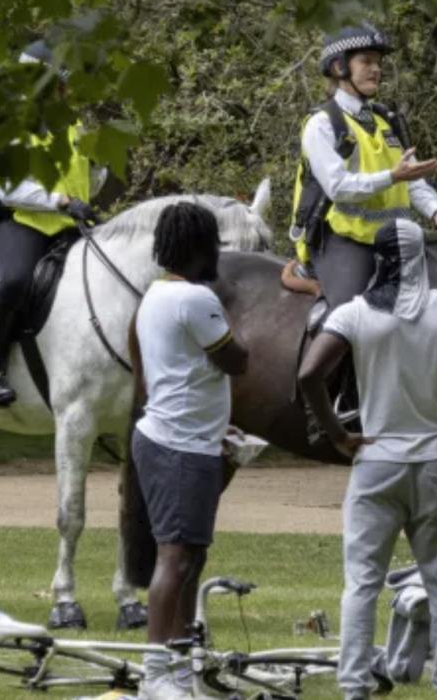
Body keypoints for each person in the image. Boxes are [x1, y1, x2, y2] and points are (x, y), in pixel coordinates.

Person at [298, 219, 437, 700]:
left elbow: (309, 375)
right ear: (422, 258)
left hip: (377, 462)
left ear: (379, 260)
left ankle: (355, 687)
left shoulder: (355, 313)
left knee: (362, 584)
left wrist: (339, 434)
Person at [132, 202, 249, 700]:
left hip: (180, 438)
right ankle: (157, 671)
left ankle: (179, 667)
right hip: (180, 445)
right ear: (201, 247)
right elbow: (235, 361)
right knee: (176, 557)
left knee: (188, 556)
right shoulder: (196, 300)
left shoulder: (154, 294)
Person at [290, 24, 437, 309]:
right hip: (343, 242)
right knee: (348, 317)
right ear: (339, 66)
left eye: (378, 63)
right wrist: (392, 177)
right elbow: (339, 187)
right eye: (366, 61)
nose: (376, 69)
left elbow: (413, 181)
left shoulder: (385, 123)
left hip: (395, 240)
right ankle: (316, 352)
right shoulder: (321, 125)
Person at [0, 39, 99, 407]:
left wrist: (98, 167)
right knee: (15, 281)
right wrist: (61, 200)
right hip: (21, 222)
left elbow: (83, 178)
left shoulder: (73, 124)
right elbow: (10, 188)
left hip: (67, 224)